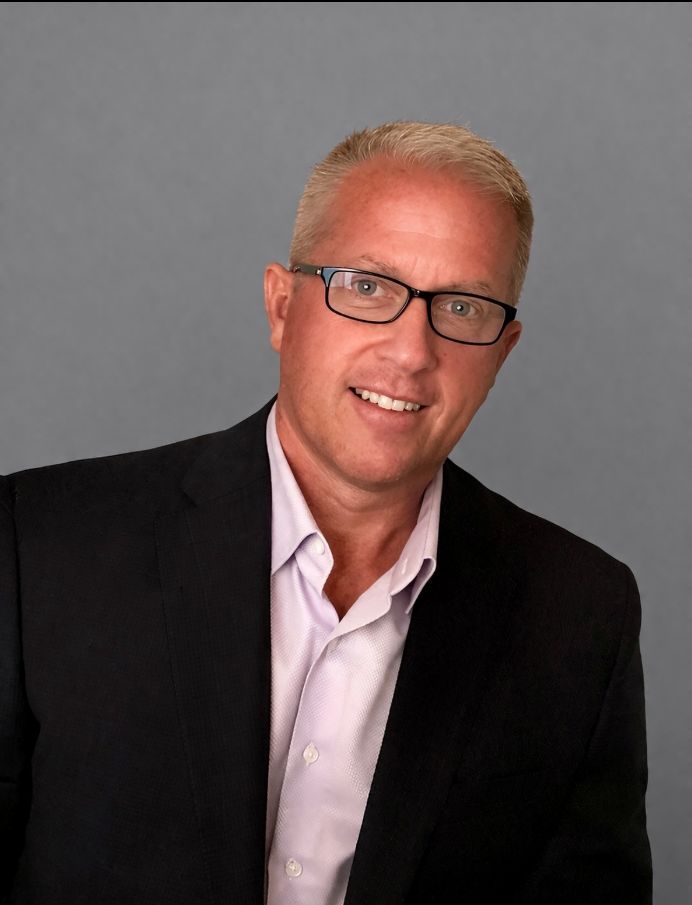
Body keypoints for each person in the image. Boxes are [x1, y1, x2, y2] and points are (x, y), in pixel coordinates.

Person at [0, 121, 651, 904]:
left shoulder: (580, 614)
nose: (412, 350)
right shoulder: (40, 546)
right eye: (367, 286)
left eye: (464, 306)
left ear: (502, 352)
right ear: (282, 306)